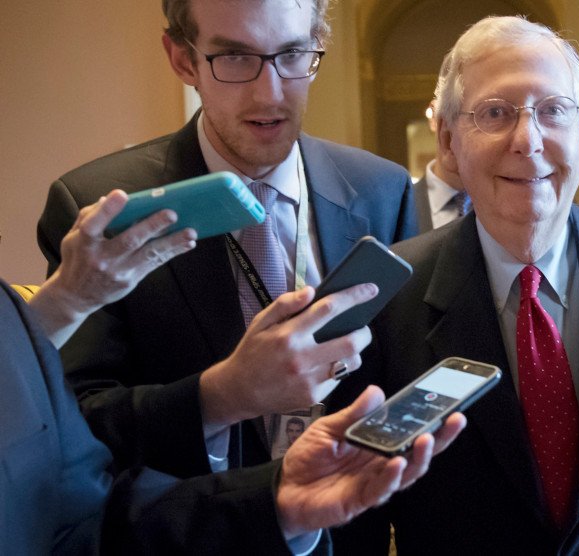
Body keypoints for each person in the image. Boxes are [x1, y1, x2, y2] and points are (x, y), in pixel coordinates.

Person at [327, 17, 579, 554]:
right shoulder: (387, 295)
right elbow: (357, 513)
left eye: (553, 111)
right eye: (495, 113)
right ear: (448, 141)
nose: (528, 141)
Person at [36, 0, 417, 485]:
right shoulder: (97, 207)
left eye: (292, 54)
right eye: (235, 57)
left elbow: (406, 375)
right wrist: (222, 395)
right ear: (183, 60)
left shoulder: (384, 190)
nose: (270, 94)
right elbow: (74, 427)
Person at [5, 191, 464, 554]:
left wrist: (276, 503)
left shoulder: (380, 187)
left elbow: (83, 523)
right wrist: (224, 394)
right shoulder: (88, 194)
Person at [413, 101, 471, 232]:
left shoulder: (507, 204)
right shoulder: (397, 206)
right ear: (434, 118)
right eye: (454, 113)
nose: (459, 130)